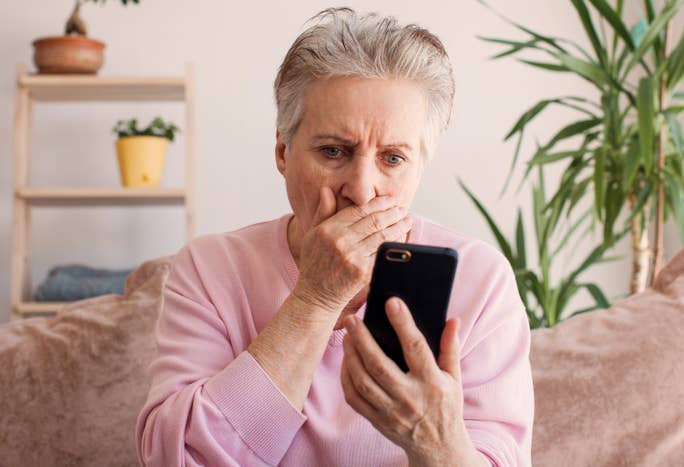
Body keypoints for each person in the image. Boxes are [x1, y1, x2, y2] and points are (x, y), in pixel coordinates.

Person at [136, 7, 533, 467]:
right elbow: (180, 460)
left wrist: (435, 442)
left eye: (393, 158)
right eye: (333, 151)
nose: (361, 189)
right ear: (283, 153)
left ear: (420, 166)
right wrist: (315, 300)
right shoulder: (210, 269)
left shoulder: (480, 280)